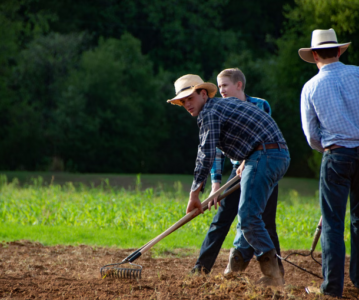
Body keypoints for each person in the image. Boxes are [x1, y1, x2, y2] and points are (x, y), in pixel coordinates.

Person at [167, 74, 290, 286]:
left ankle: (274, 275)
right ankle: (234, 271)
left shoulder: (209, 112)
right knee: (249, 216)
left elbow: (206, 153)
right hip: (271, 154)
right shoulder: (221, 106)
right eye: (183, 101)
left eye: (190, 98)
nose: (187, 104)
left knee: (249, 216)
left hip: (264, 155)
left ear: (203, 94)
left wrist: (194, 194)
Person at [299, 28, 359, 298]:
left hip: (336, 156)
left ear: (314, 55)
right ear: (338, 50)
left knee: (333, 224)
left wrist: (326, 145)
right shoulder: (358, 73)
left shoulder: (311, 87)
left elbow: (311, 135)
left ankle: (331, 288)